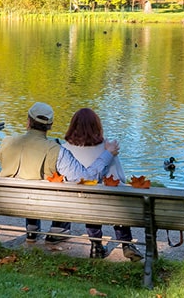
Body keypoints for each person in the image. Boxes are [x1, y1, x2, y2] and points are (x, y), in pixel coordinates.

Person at [0, 102, 119, 243]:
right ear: (50, 125)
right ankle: (58, 229)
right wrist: (107, 154)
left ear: (28, 122)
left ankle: (32, 230)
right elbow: (86, 178)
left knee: (27, 176)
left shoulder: (7, 143)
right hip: (45, 205)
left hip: (7, 202)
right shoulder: (57, 151)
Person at [61, 108, 144, 261]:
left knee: (90, 199)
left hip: (75, 205)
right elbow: (120, 178)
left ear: (72, 126)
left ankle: (96, 245)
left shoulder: (64, 150)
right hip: (109, 206)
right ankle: (126, 243)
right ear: (97, 126)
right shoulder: (107, 149)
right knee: (115, 195)